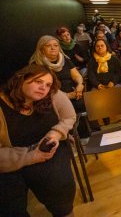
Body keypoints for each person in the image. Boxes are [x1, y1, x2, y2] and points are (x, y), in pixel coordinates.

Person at [0, 65, 76, 216]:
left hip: (50, 149)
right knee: (9, 203)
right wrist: (30, 156)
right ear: (21, 79)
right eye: (38, 81)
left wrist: (55, 134)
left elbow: (69, 117)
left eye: (47, 84)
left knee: (59, 183)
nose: (43, 88)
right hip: (12, 158)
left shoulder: (53, 95)